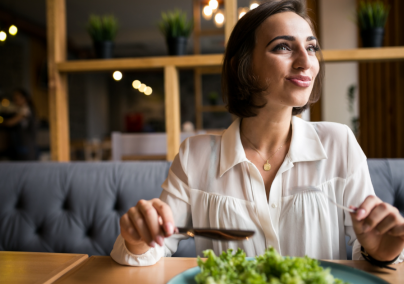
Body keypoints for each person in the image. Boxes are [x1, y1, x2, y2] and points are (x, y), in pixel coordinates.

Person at [111, 0, 404, 266]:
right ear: (244, 65)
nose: (306, 61)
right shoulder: (195, 156)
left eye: (311, 47)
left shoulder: (339, 143)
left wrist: (380, 252)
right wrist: (137, 240)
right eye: (283, 47)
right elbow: (153, 249)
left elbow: (369, 254)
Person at [4, 89, 37, 160]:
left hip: (26, 145)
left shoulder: (25, 110)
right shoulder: (20, 109)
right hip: (21, 143)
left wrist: (3, 122)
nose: (15, 101)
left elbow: (10, 123)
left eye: (16, 99)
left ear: (24, 99)